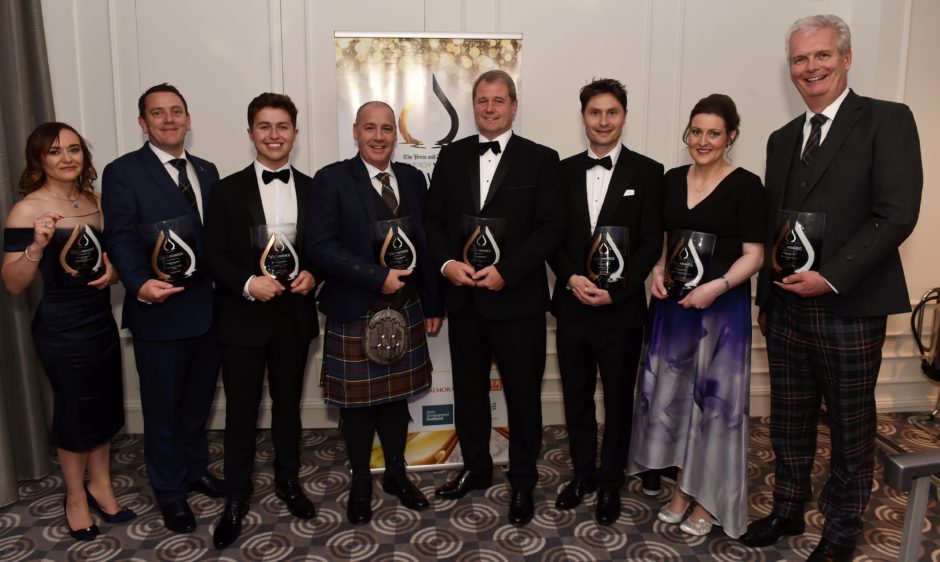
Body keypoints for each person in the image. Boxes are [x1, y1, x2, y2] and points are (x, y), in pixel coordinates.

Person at [740, 15, 922, 562]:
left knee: (849, 426)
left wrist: (832, 275)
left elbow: (895, 216)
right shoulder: (780, 139)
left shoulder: (886, 121)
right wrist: (768, 301)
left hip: (850, 305)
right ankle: (788, 506)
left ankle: (843, 529)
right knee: (789, 420)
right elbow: (775, 225)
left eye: (821, 56)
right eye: (800, 60)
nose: (810, 67)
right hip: (788, 308)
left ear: (845, 58)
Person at [425, 70, 565, 526]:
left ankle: (522, 483)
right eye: (482, 100)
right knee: (468, 394)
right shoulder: (451, 157)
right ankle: (476, 469)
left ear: (513, 105)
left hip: (518, 302)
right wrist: (448, 264)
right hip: (465, 299)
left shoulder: (542, 160)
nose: (489, 108)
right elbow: (434, 221)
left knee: (523, 398)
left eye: (498, 100)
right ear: (473, 104)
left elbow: (551, 228)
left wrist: (508, 271)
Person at [627, 94, 765, 539]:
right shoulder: (670, 179)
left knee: (715, 407)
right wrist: (657, 271)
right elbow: (664, 240)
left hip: (721, 313)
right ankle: (684, 488)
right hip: (675, 309)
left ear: (731, 137)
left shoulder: (747, 185)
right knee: (679, 401)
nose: (702, 141)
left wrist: (718, 286)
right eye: (696, 132)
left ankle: (709, 499)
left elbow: (754, 256)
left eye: (714, 133)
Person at [306, 101, 443, 525]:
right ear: (355, 131)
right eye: (370, 128)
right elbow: (320, 246)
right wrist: (375, 276)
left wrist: (435, 302)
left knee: (396, 400)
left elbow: (430, 241)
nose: (379, 136)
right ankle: (362, 480)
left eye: (387, 128)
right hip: (355, 307)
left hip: (408, 307)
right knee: (359, 408)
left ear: (395, 135)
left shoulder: (413, 178)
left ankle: (398, 475)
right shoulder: (331, 180)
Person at [102, 83, 224, 534]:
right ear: (143, 123)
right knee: (162, 409)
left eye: (176, 112)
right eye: (158, 114)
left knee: (198, 403)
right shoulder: (122, 172)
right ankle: (170, 492)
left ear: (189, 120)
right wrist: (137, 284)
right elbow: (119, 236)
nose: (169, 120)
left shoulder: (208, 171)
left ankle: (194, 469)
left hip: (209, 310)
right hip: (159, 311)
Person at [2, 122, 134, 541]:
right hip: (60, 324)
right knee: (75, 408)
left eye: (74, 150)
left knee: (104, 403)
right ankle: (75, 496)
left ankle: (102, 484)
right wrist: (37, 245)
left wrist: (113, 272)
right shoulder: (27, 209)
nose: (66, 159)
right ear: (40, 159)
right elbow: (14, 282)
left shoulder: (93, 200)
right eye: (56, 151)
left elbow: (108, 263)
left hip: (99, 320)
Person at [204, 93, 319, 548]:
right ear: (250, 132)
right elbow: (212, 255)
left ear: (295, 132)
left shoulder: (314, 188)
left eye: (283, 126)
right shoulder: (225, 189)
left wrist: (317, 274)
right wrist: (249, 284)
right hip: (242, 320)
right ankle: (236, 495)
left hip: (294, 317)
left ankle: (289, 481)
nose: (274, 135)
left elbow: (323, 248)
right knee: (241, 412)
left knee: (288, 408)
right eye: (265, 126)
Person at [548, 78, 664, 525]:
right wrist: (572, 277)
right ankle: (583, 475)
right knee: (577, 398)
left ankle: (611, 483)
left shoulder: (649, 173)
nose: (603, 121)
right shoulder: (560, 171)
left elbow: (652, 243)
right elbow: (552, 236)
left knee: (618, 400)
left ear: (624, 116)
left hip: (621, 312)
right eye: (595, 112)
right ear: (583, 117)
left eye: (611, 112)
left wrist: (618, 289)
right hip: (574, 304)